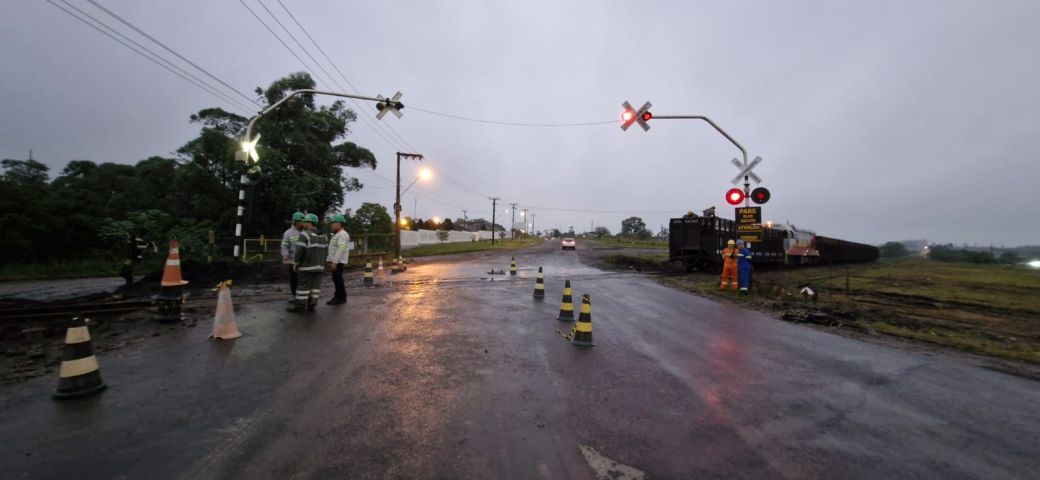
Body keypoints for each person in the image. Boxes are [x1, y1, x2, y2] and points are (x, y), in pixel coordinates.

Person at [289, 213, 328, 313]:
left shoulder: (304, 234)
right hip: (320, 267)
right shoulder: (324, 236)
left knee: (303, 288)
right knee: (315, 288)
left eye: (305, 222)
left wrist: (296, 263)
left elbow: (299, 251)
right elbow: (326, 251)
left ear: (309, 223)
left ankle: (299, 307)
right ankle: (312, 305)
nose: (304, 224)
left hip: (306, 267)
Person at [325, 214, 350, 305]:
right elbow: (332, 249)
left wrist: (334, 263)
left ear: (338, 224)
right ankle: (338, 296)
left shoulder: (342, 235)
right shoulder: (337, 235)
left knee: (338, 279)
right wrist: (329, 260)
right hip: (335, 261)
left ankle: (340, 298)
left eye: (333, 223)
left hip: (338, 262)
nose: (331, 225)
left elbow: (340, 249)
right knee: (336, 279)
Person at [280, 212, 305, 303]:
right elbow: (284, 245)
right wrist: (285, 254)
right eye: (301, 222)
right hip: (293, 260)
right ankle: (295, 296)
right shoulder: (288, 233)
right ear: (296, 222)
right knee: (294, 279)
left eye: (304, 221)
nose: (303, 224)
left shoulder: (305, 232)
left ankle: (304, 296)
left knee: (304, 279)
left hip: (304, 260)